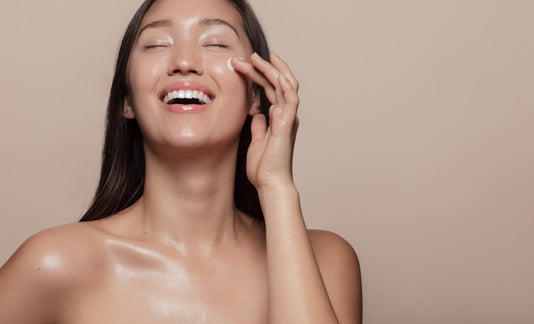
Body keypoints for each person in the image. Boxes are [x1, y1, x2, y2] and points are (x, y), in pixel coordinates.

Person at [0, 0, 362, 322]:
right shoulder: (53, 265)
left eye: (216, 43)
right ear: (127, 100)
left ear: (257, 94)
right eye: (157, 44)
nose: (184, 62)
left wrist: (277, 187)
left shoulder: (326, 261)